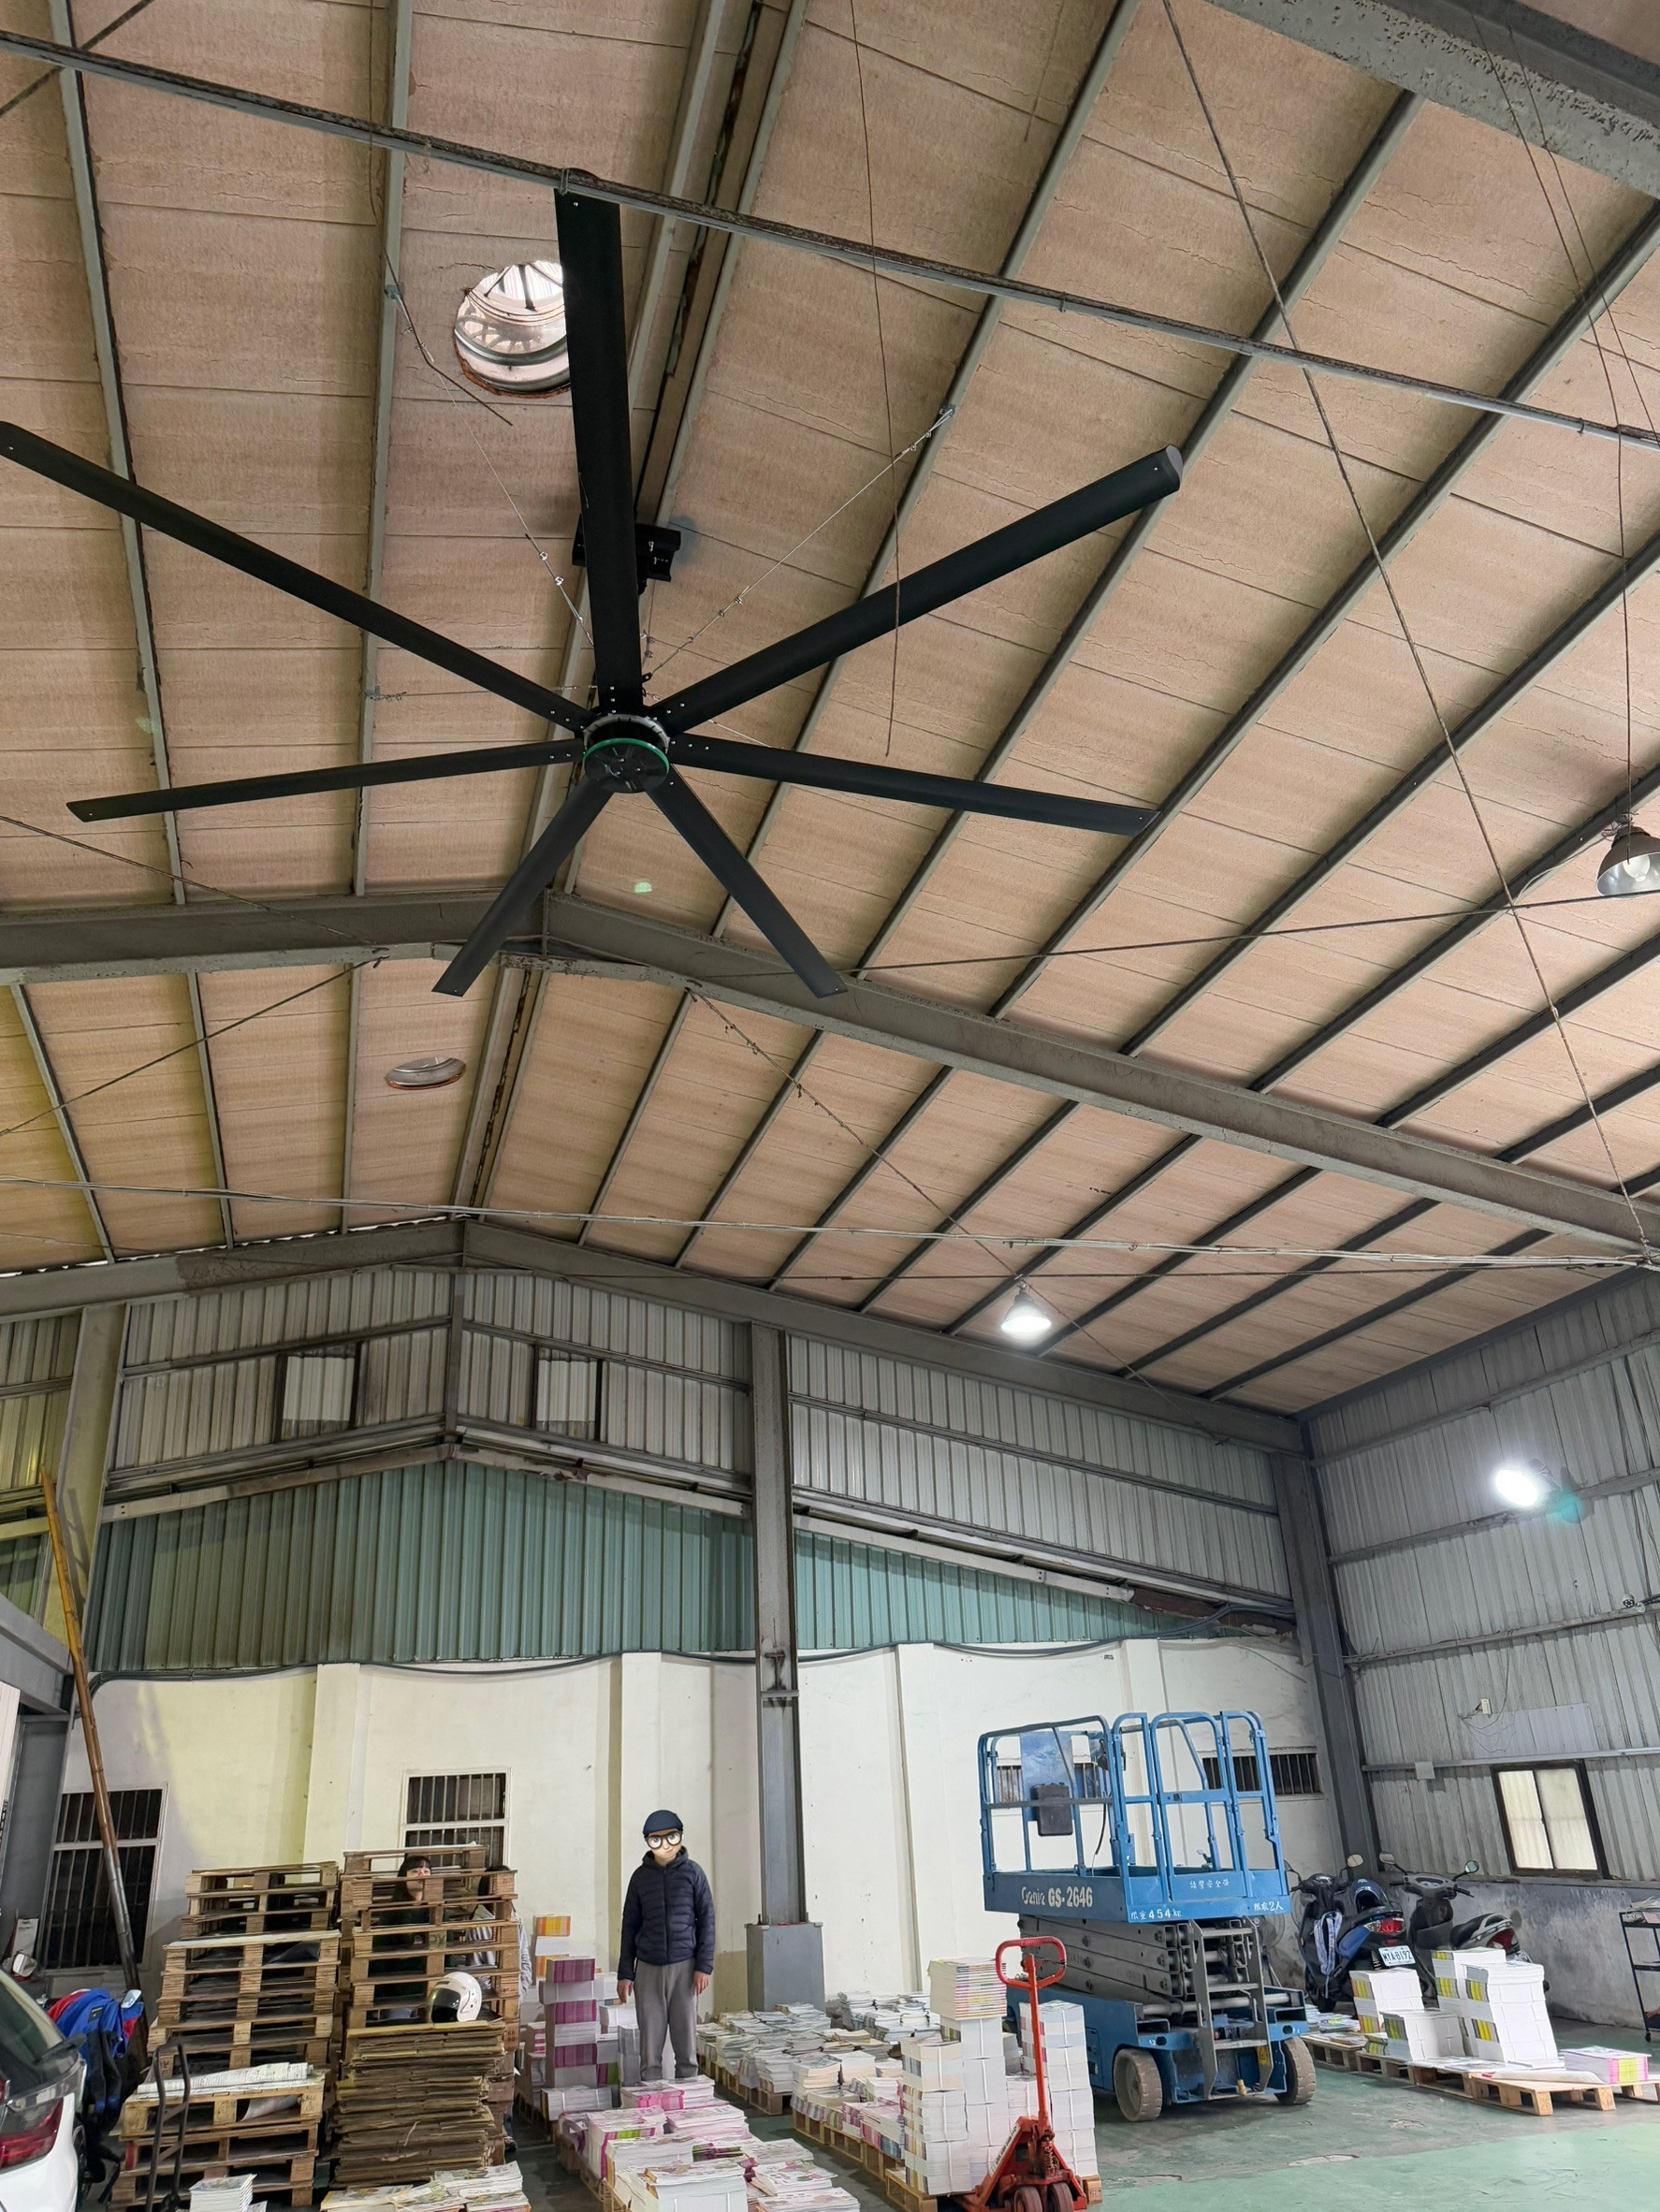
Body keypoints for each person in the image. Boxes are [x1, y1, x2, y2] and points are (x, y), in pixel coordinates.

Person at [617, 1810, 714, 2082]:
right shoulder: (639, 1878)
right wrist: (625, 1974)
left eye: (671, 1837)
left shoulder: (694, 1874)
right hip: (648, 1969)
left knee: (686, 2051)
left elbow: (707, 1920)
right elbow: (629, 1925)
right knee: (650, 2053)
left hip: (686, 1969)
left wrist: (704, 1966)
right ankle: (652, 2104)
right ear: (648, 1842)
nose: (665, 1845)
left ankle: (689, 2103)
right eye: (656, 1839)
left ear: (680, 1837)